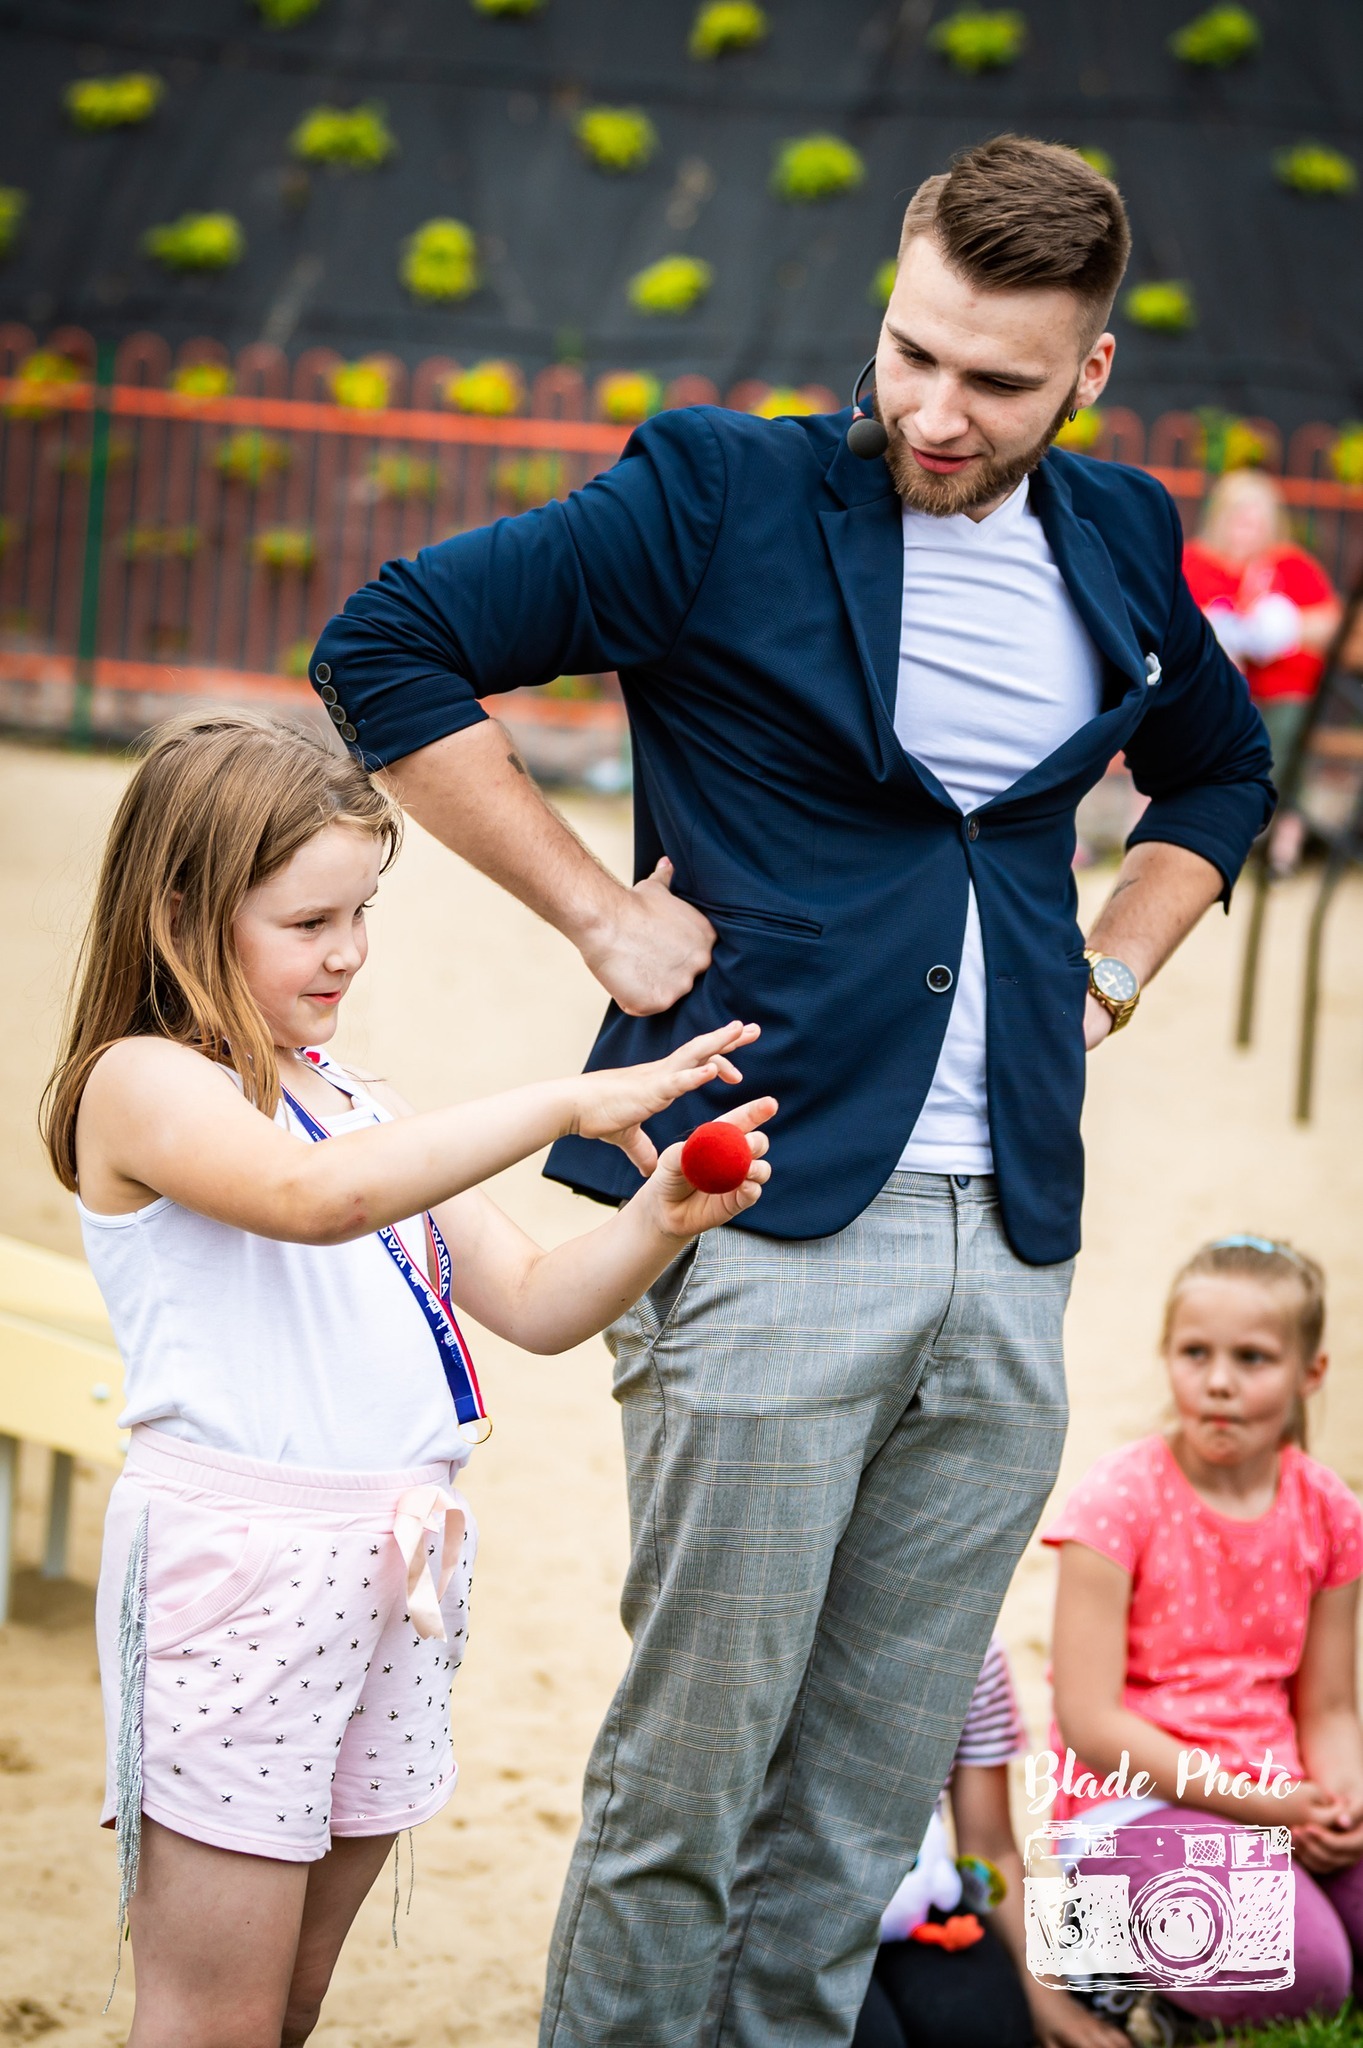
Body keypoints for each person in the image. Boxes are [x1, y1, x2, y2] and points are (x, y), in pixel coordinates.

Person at [309, 134, 1275, 2047]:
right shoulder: (718, 488)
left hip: (1007, 1241)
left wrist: (1112, 960)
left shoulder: (1122, 539)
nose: (929, 406)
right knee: (688, 1790)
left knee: (851, 1816)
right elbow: (388, 643)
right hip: (755, 1212)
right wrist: (593, 910)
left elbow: (1218, 772)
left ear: (1086, 376)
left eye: (994, 379)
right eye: (908, 351)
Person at [40, 711, 773, 2047]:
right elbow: (312, 1202)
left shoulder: (355, 1105)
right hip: (240, 1569)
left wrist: (653, 1218)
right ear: (179, 911)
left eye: (362, 912)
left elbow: (539, 1304)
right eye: (309, 920)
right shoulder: (141, 1083)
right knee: (212, 2016)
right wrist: (562, 1102)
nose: (348, 953)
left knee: (294, 2002)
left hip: (394, 1567)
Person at [1043, 1235, 1363, 2030]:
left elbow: (1325, 1707)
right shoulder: (1117, 1501)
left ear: (1308, 1373)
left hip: (1279, 1797)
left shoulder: (1329, 1510)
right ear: (1167, 1356)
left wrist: (1339, 1804)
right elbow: (1089, 1727)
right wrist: (1267, 1806)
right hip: (1125, 1806)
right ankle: (1102, 1953)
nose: (1217, 1382)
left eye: (1252, 1359)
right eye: (1194, 1353)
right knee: (1307, 1972)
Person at [854, 1637, 1125, 2048]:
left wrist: (1047, 1991)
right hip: (788, 1917)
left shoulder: (972, 1645)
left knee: (985, 2028)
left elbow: (990, 1848)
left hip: (916, 1909)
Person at [1182, 469, 1342, 872]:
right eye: (1240, 518)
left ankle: (1281, 846)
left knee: (1285, 738)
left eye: (1257, 521)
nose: (1247, 530)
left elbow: (1330, 622)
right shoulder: (1196, 562)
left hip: (1287, 690)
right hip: (1222, 692)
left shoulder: (1290, 565)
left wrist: (1287, 627)